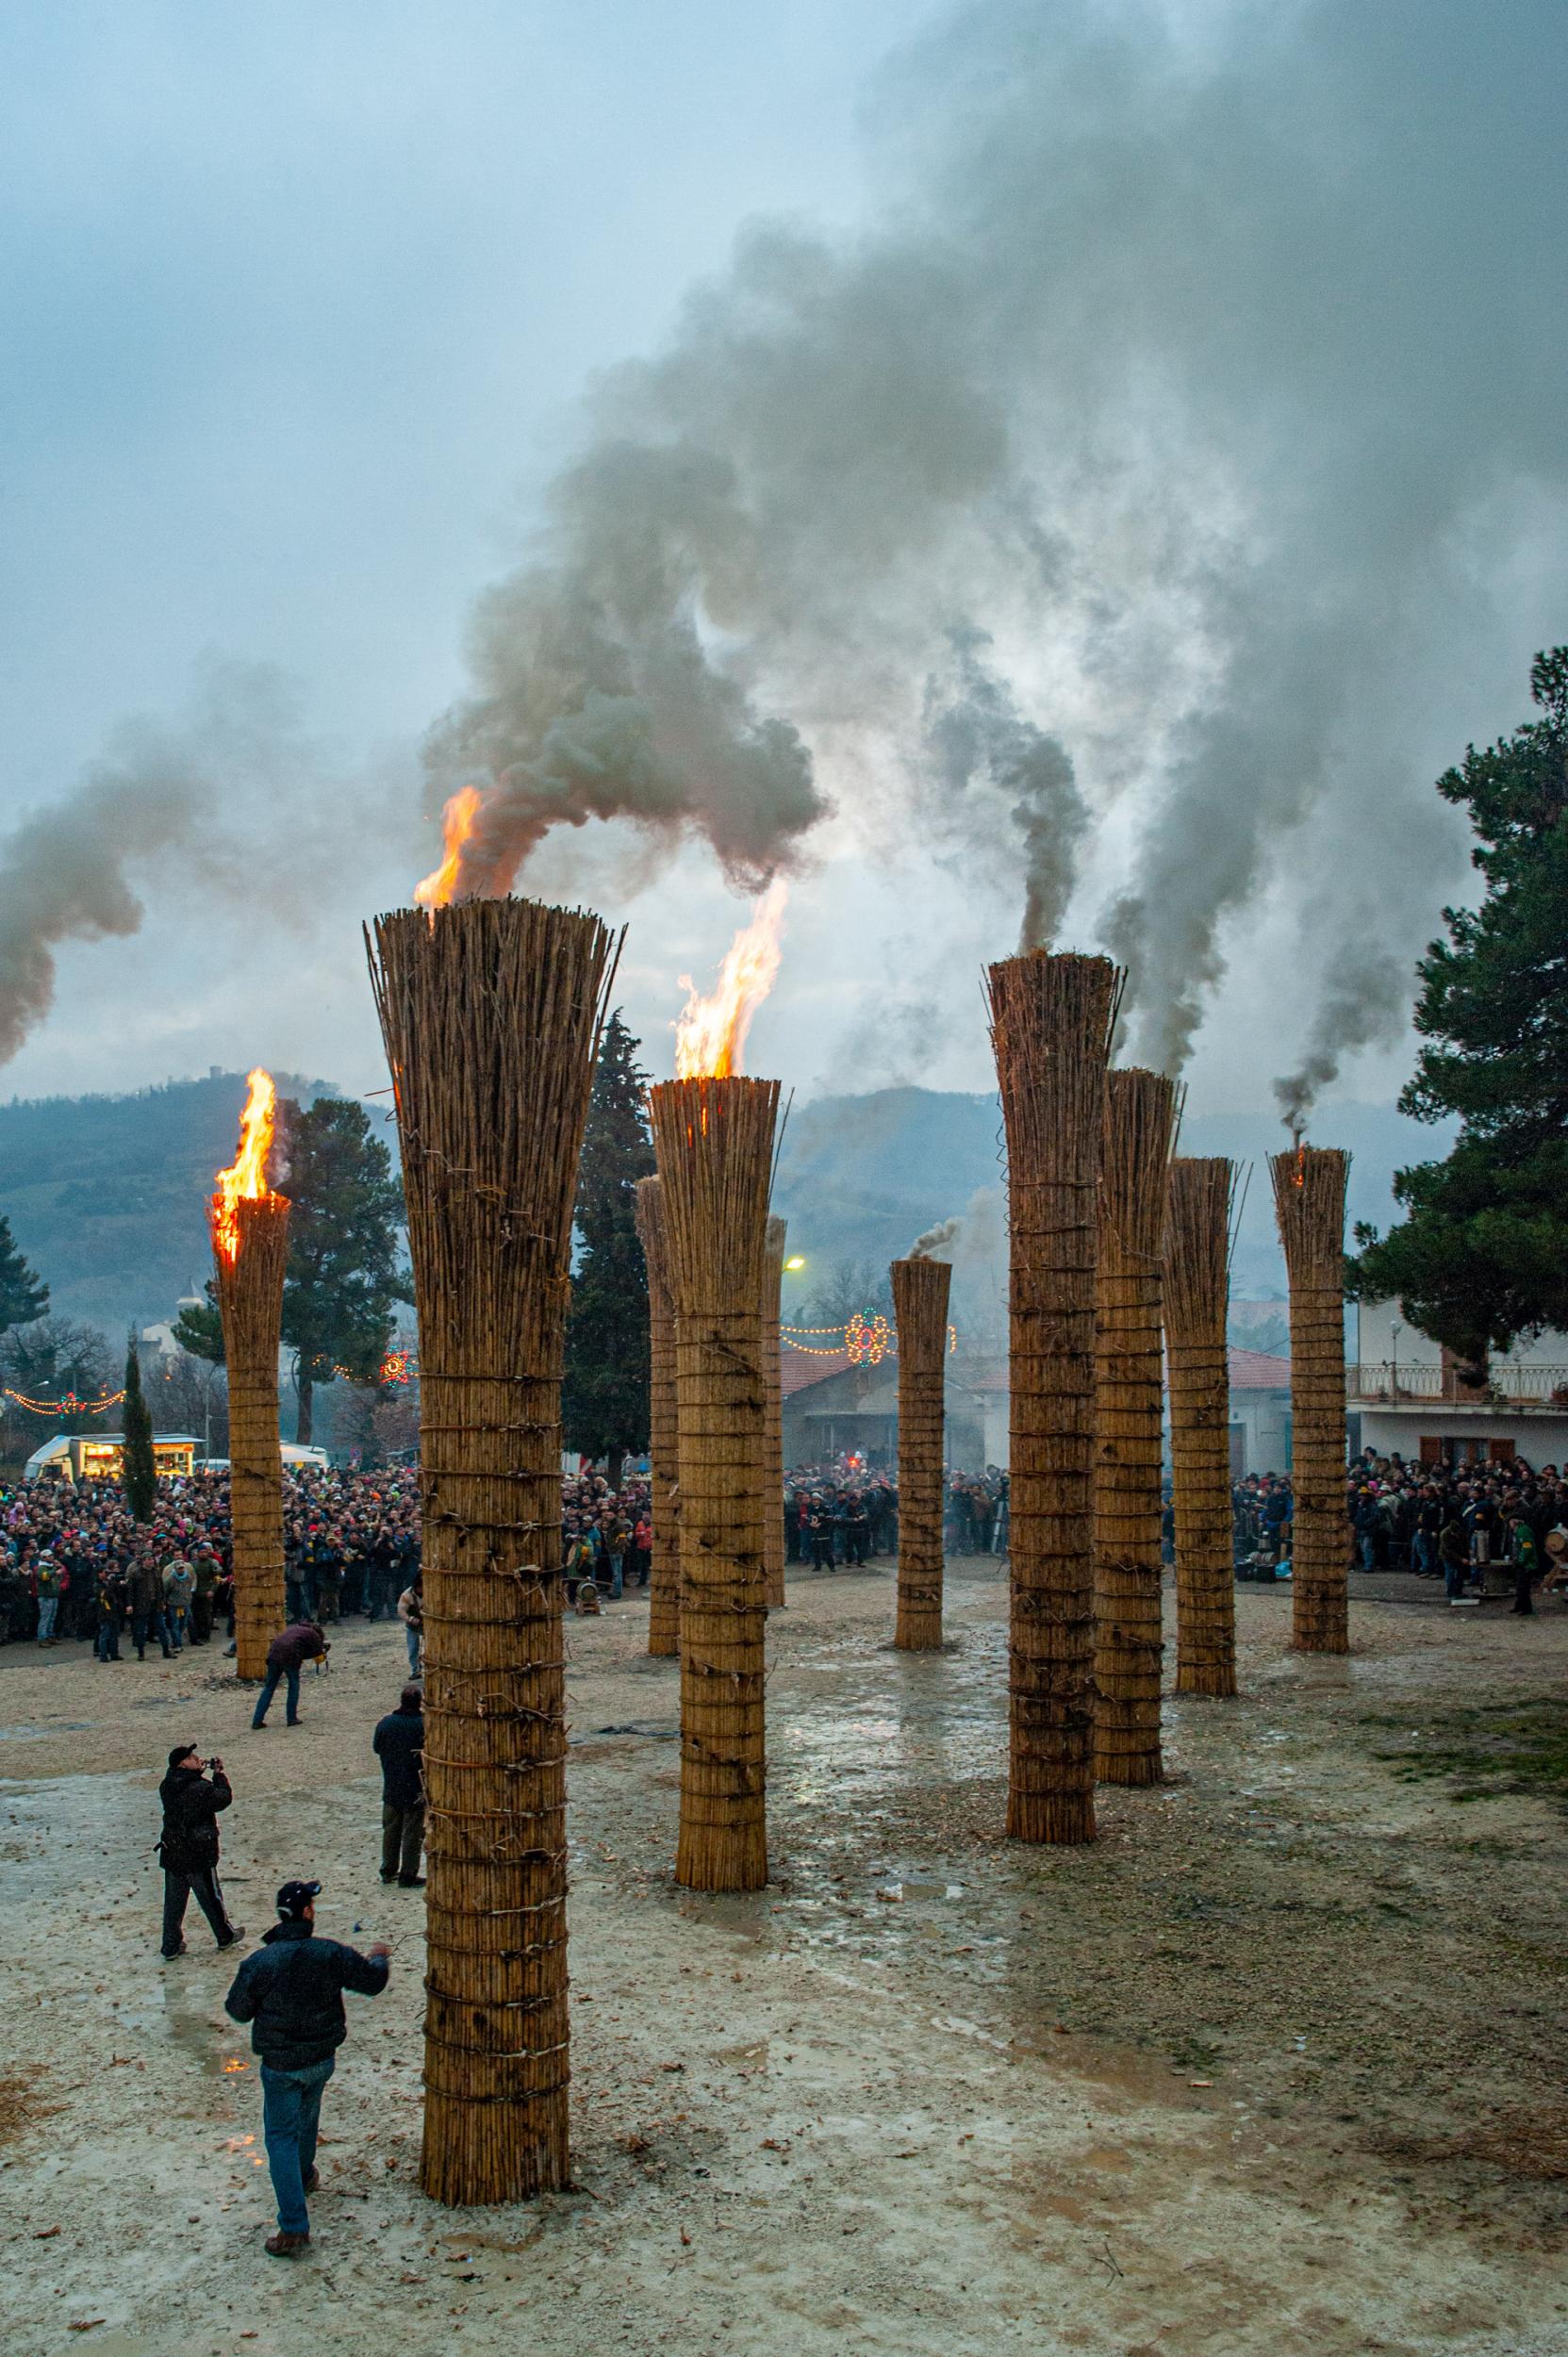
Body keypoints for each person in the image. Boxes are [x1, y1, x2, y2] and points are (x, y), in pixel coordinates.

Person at [223, 1878, 390, 2257]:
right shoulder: (328, 1953)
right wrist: (380, 1956)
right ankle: (303, 2176)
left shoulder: (261, 1962)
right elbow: (373, 1982)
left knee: (280, 2137)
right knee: (307, 2117)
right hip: (320, 2058)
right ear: (308, 1912)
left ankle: (294, 2225)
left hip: (281, 2065)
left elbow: (237, 2010)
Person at [157, 1742, 242, 1958]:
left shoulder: (167, 1785)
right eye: (190, 1757)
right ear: (182, 1764)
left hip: (173, 1850)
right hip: (198, 1852)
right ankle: (224, 1935)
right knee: (211, 1897)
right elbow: (222, 1798)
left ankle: (171, 1945)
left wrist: (197, 1774)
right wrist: (218, 1775)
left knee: (174, 1903)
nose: (196, 1758)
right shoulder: (198, 1787)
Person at [372, 1681, 425, 1887]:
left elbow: (377, 1748)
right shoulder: (423, 1725)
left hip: (392, 1785)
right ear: (419, 1702)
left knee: (391, 1830)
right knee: (412, 1834)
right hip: (415, 1787)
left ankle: (388, 1870)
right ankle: (408, 1875)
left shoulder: (386, 1723)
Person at [252, 1621, 327, 1729]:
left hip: (273, 1654)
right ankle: (291, 1718)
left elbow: (300, 1648)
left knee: (269, 1687)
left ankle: (257, 1720)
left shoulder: (295, 1629)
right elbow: (318, 1656)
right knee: (293, 1686)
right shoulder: (314, 1635)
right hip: (290, 1656)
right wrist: (324, 1652)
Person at [162, 1553, 196, 1651]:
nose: (181, 1570)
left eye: (182, 1568)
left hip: (185, 1603)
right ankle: (177, 1644)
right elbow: (165, 1591)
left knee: (183, 1624)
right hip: (174, 1605)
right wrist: (165, 1602)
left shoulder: (188, 1576)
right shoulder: (170, 1578)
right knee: (175, 1624)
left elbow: (190, 1586)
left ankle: (177, 1640)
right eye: (179, 1568)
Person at [397, 1574, 423, 1679]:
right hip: (413, 1626)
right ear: (416, 1586)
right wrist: (411, 1619)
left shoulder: (431, 1591)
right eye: (421, 1587)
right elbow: (401, 1611)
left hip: (428, 1624)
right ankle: (416, 1670)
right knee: (413, 1649)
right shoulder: (406, 1595)